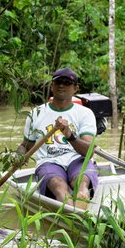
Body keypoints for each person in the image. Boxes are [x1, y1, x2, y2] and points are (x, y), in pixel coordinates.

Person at [17, 68, 99, 206]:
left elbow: (88, 152)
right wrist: (18, 155)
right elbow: (26, 146)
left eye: (67, 82)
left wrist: (69, 135)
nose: (61, 85)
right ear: (52, 86)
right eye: (58, 82)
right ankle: (71, 211)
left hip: (77, 159)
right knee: (59, 186)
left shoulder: (85, 113)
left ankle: (81, 202)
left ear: (76, 88)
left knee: (81, 183)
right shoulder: (36, 113)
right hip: (49, 161)